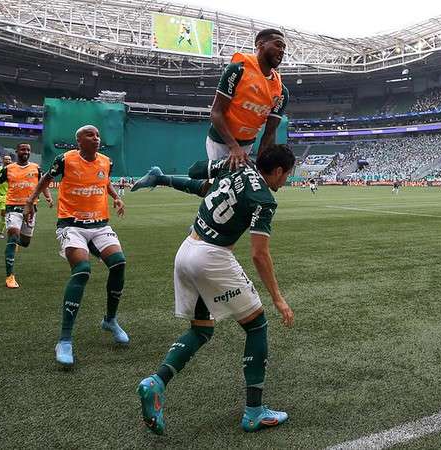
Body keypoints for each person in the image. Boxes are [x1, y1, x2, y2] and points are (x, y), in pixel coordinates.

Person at [137, 144, 296, 435]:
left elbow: (196, 177)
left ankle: (156, 383)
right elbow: (260, 254)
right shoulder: (264, 198)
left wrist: (163, 179)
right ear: (277, 171)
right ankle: (254, 412)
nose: (284, 182)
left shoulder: (235, 166)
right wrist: (278, 298)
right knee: (257, 326)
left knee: (201, 329)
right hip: (211, 257)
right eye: (286, 176)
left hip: (186, 250)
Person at [133, 28, 289, 192]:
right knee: (222, 191)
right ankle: (160, 178)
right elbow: (216, 113)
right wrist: (233, 147)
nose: (282, 51)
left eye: (284, 48)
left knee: (209, 189)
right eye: (278, 45)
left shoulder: (281, 92)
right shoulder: (238, 70)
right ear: (260, 45)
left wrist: (262, 168)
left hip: (246, 144)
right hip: (221, 140)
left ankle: (159, 177)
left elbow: (270, 133)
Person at [24, 125, 128, 366]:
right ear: (79, 141)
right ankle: (65, 339)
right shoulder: (65, 160)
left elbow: (105, 182)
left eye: (98, 134)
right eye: (90, 135)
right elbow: (46, 179)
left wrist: (116, 197)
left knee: (119, 263)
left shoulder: (105, 161)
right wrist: (31, 200)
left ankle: (110, 320)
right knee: (82, 270)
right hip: (71, 225)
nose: (96, 138)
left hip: (100, 224)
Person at [0, 143, 52, 288]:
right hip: (12, 207)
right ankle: (10, 276)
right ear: (17, 151)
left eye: (28, 149)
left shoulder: (36, 168)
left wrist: (48, 197)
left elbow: (43, 184)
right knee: (13, 235)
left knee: (25, 242)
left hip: (31, 209)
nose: (26, 152)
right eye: (23, 149)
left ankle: (16, 243)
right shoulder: (8, 168)